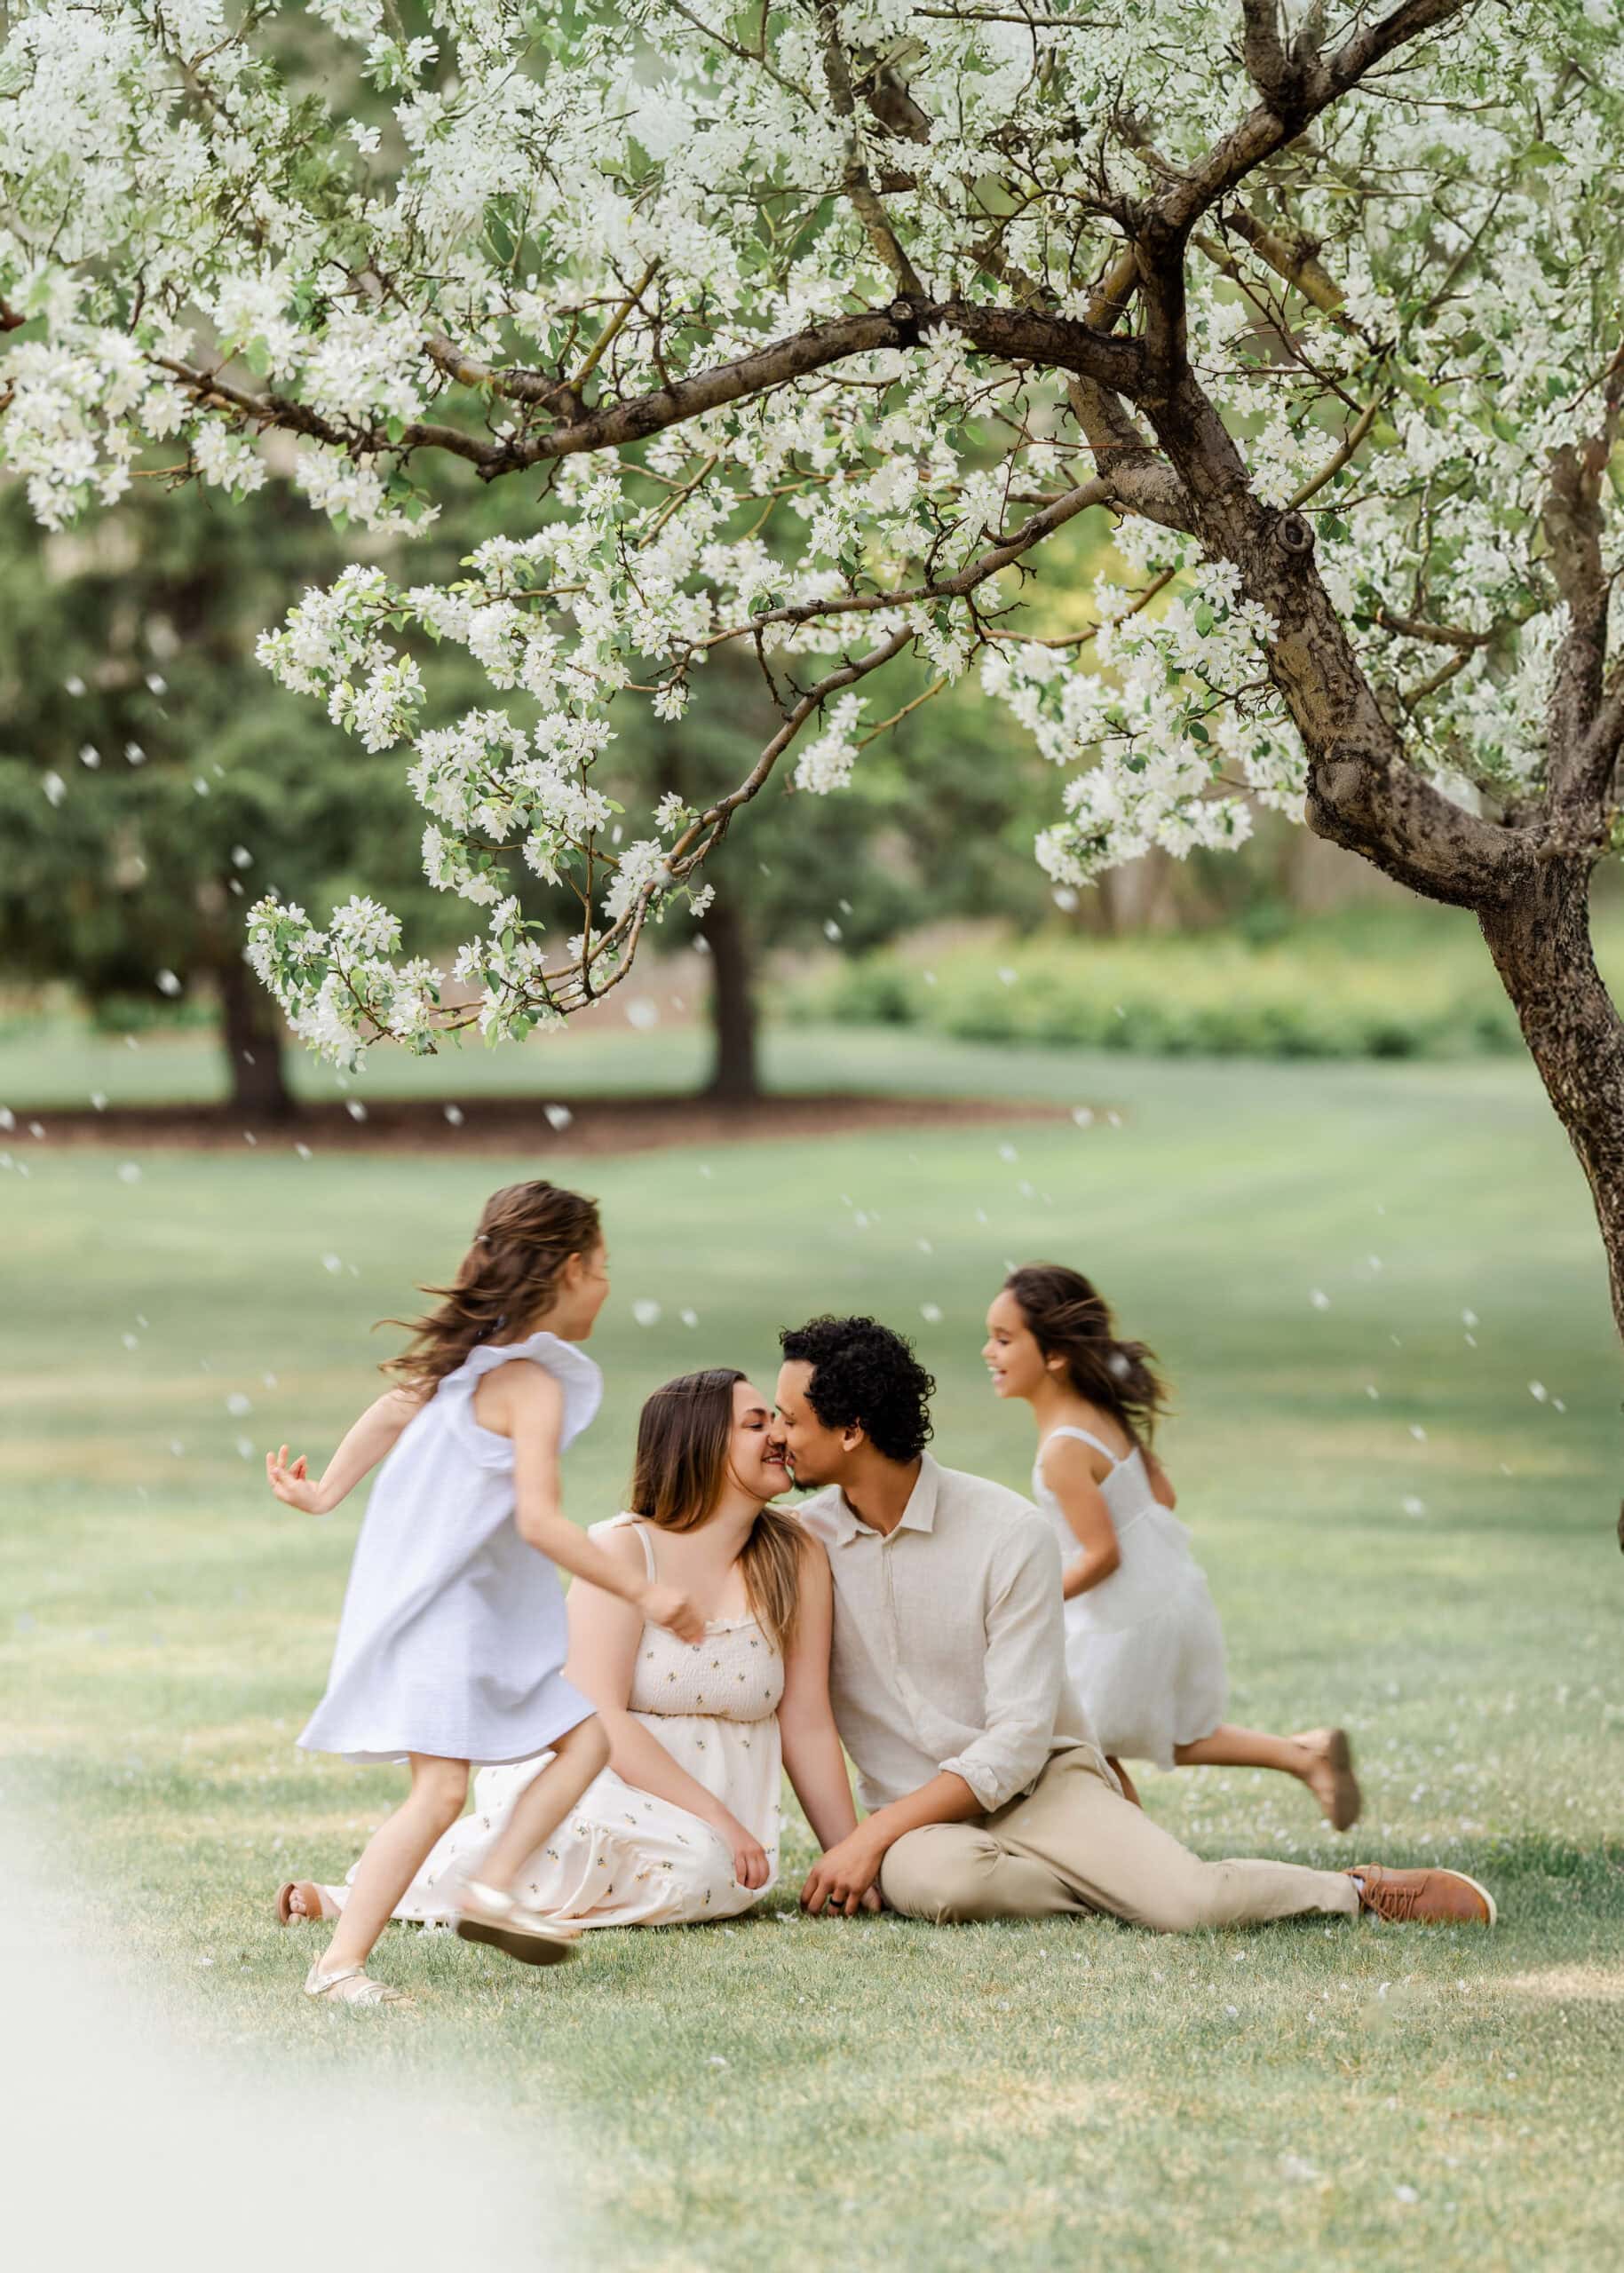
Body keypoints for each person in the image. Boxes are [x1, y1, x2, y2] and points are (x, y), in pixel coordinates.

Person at [777, 1315, 1495, 1932]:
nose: (778, 1437)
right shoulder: (800, 1543)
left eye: (789, 1419)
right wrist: (864, 1843)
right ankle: (1118, 1887)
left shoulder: (1005, 1531)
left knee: (1187, 1905)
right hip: (922, 1829)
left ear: (850, 1431)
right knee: (944, 1888)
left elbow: (1019, 1739)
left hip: (1039, 1783)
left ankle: (1356, 1892)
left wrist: (869, 1838)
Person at [265, 1180, 702, 2008]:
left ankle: (489, 1890)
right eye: (604, 1267)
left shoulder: (463, 1365)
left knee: (582, 1743)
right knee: (439, 1793)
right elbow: (541, 1522)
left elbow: (392, 1411)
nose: (608, 1283)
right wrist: (645, 1595)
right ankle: (337, 1968)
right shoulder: (527, 1383)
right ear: (571, 1270)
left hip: (460, 1613)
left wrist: (326, 1491)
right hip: (453, 1618)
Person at [279, 1369, 860, 1934]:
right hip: (606, 1776)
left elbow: (806, 1718)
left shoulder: (795, 1552)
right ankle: (372, 1898)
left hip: (719, 1819)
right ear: (699, 1442)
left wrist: (847, 1858)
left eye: (775, 1422)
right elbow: (596, 1712)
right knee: (602, 1844)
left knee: (705, 1877)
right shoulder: (627, 1548)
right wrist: (715, 1817)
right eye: (755, 1424)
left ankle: (506, 1893)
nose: (779, 1436)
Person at [984, 1263, 1359, 1827]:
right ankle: (1303, 1755)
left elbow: (1102, 1554)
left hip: (1122, 1615)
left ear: (1055, 1355)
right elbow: (1163, 1494)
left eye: (1004, 1339)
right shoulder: (1101, 1417)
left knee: (1084, 1737)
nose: (989, 1352)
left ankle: (1130, 1854)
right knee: (1142, 1733)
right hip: (1163, 1594)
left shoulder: (1062, 1448)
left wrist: (1028, 1599)